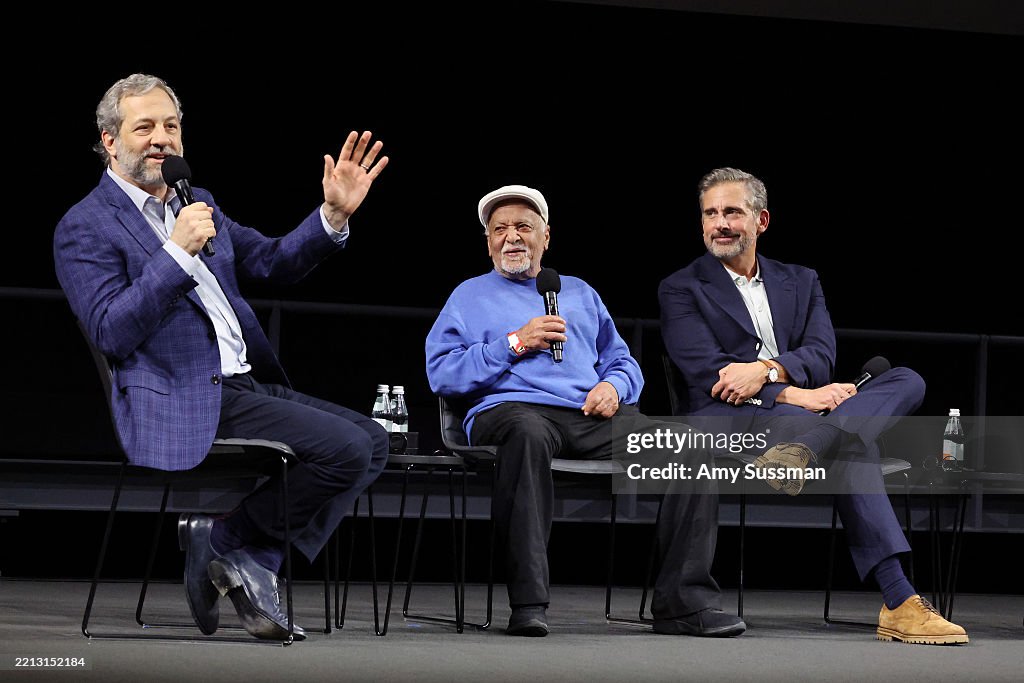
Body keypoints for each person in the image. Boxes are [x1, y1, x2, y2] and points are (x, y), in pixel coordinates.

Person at [53, 74, 390, 641]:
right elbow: (112, 331)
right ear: (110, 140)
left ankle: (238, 550)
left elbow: (273, 262)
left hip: (243, 383)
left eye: (171, 126)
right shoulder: (84, 226)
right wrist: (175, 252)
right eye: (145, 127)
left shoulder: (197, 201)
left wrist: (332, 216)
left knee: (375, 440)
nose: (162, 138)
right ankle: (236, 551)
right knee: (349, 449)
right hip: (184, 392)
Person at [658, 167, 968, 645]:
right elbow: (709, 373)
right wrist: (797, 393)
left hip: (801, 416)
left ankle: (813, 442)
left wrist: (765, 371)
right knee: (852, 441)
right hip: (727, 419)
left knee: (907, 378)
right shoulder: (681, 287)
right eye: (710, 213)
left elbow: (822, 354)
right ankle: (900, 601)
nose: (720, 223)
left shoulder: (801, 280)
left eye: (732, 212)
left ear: (761, 220)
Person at [425, 184, 745, 638]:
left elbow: (622, 361)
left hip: (588, 415)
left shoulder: (577, 292)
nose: (511, 237)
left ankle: (683, 605)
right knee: (528, 434)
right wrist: (515, 343)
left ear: (546, 237)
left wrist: (614, 386)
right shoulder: (468, 296)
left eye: (523, 227)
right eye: (500, 229)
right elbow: (442, 372)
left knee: (691, 448)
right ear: (488, 241)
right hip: (512, 411)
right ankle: (529, 604)